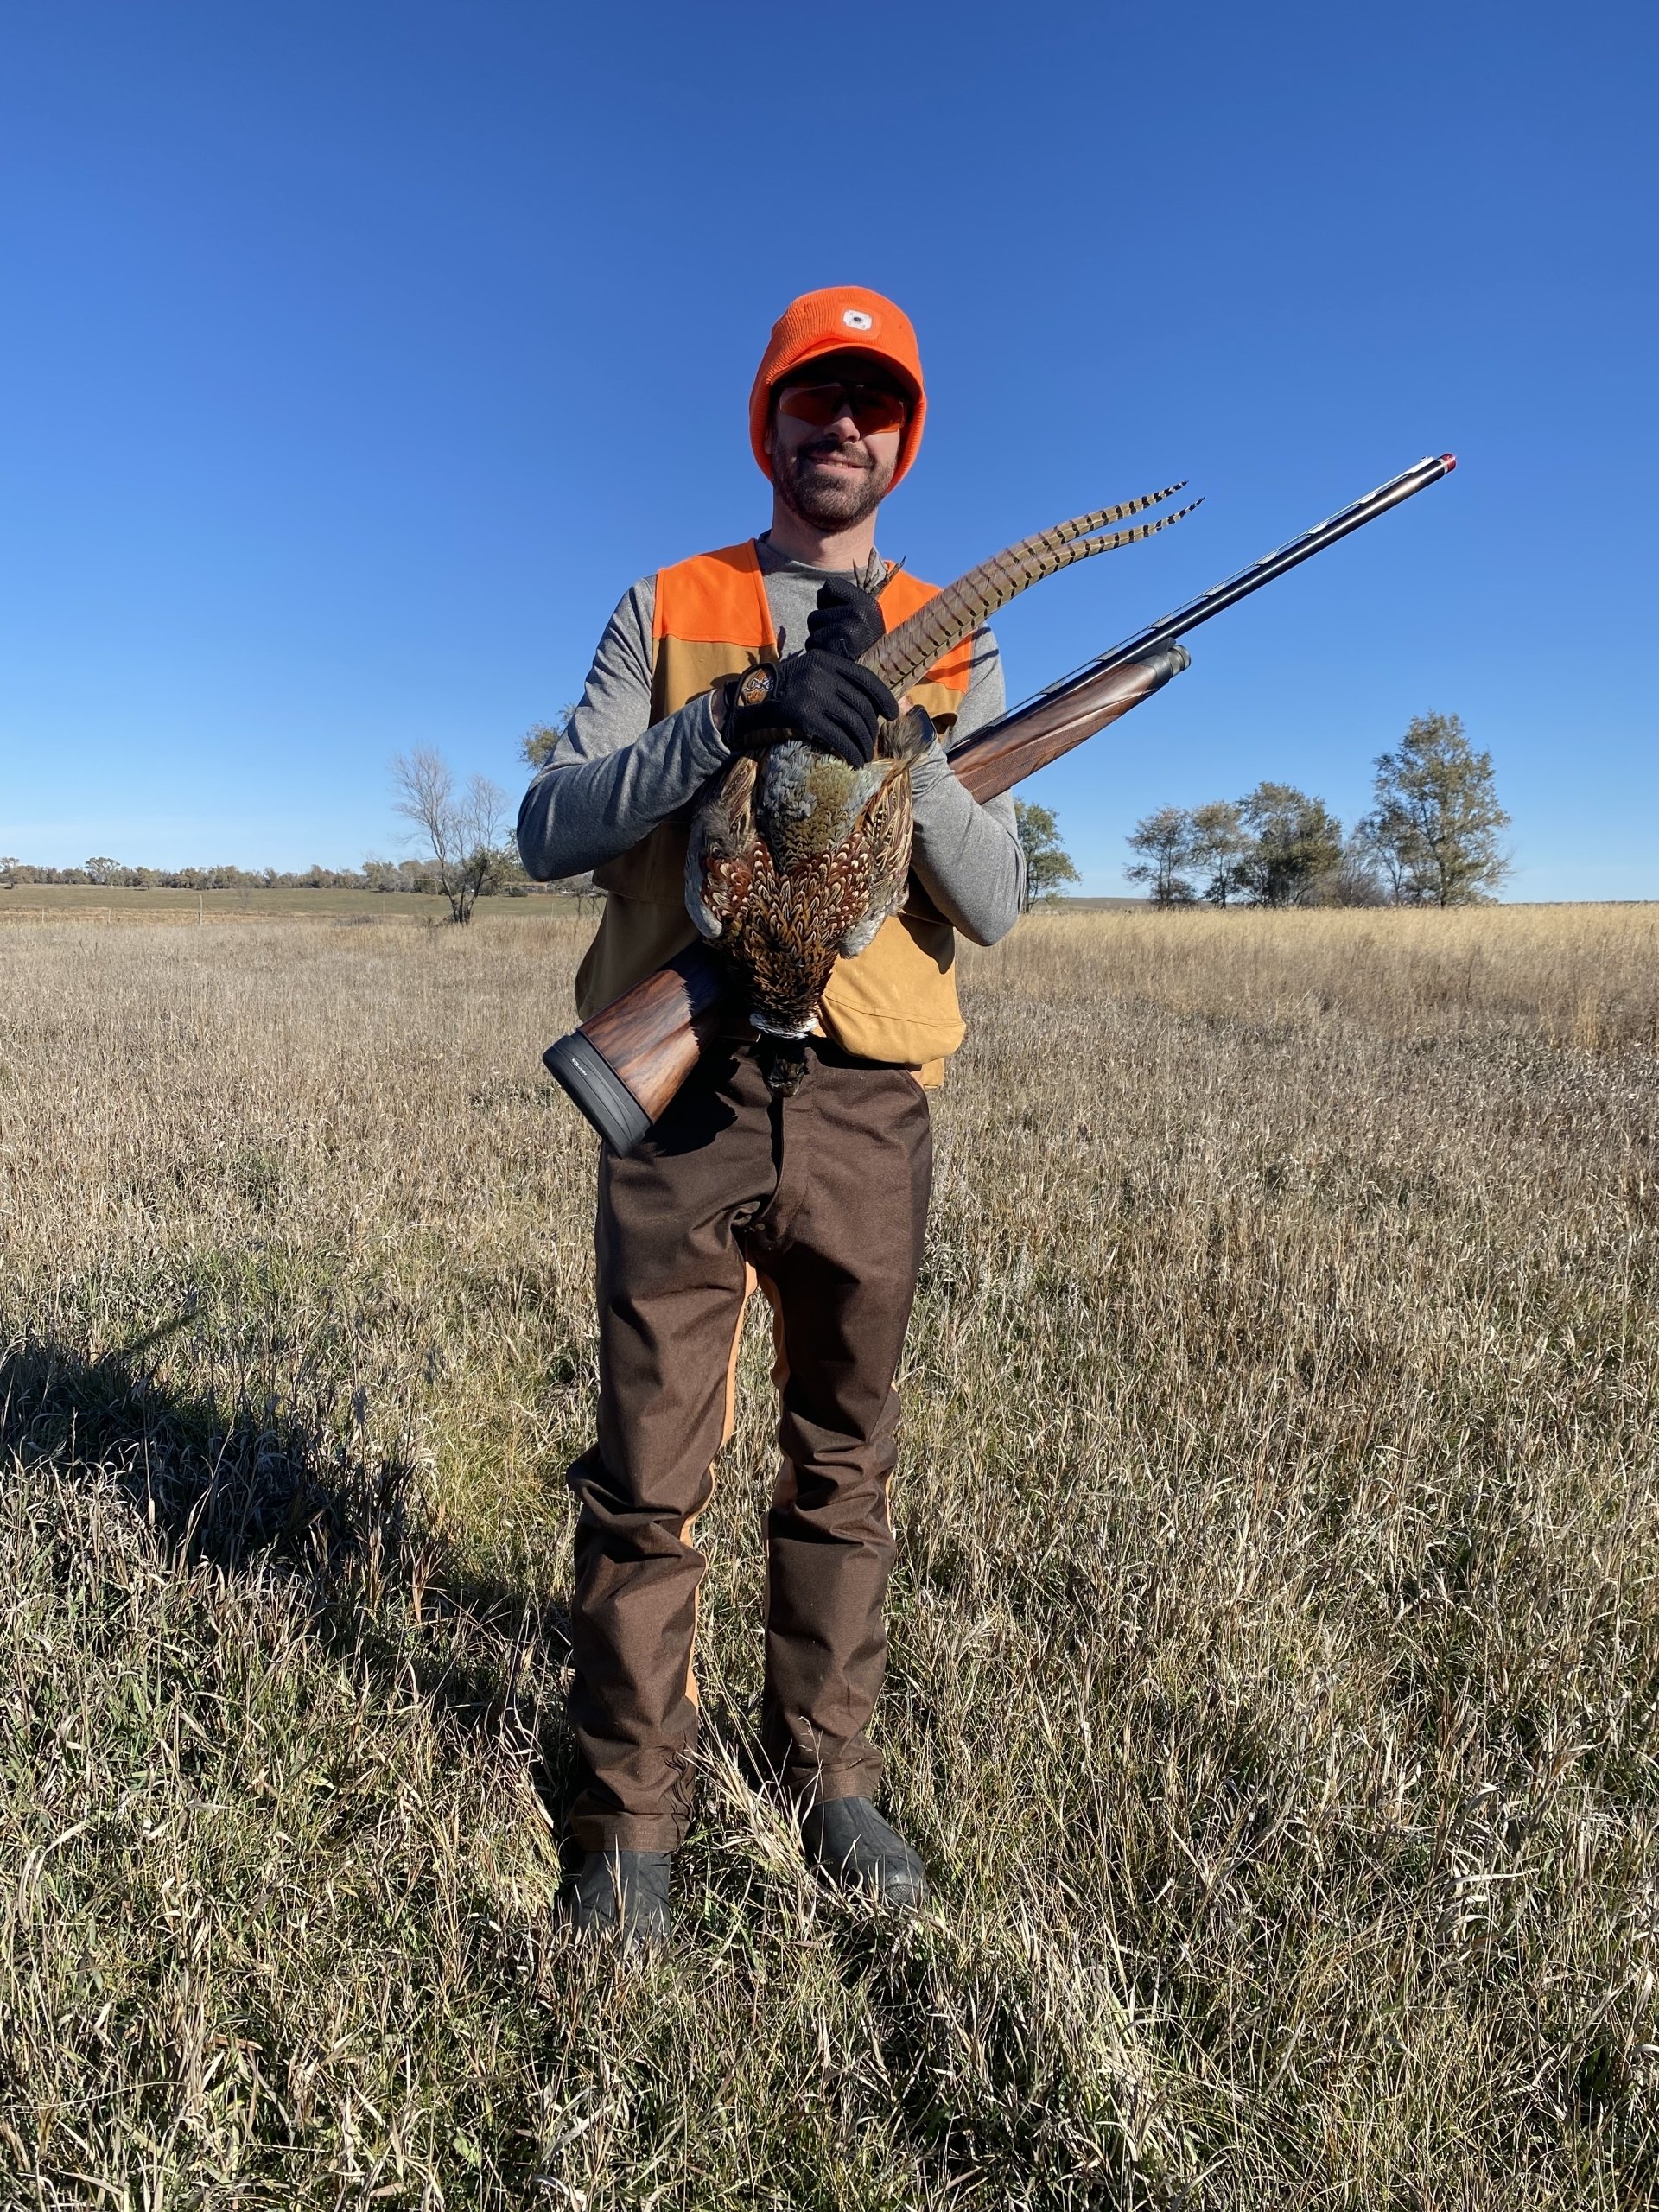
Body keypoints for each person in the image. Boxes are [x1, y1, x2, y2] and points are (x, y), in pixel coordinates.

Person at [518, 285, 1026, 1940]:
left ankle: (834, 1781)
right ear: (771, 416)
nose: (844, 426)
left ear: (903, 435)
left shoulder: (951, 625)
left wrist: (904, 741)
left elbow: (996, 898)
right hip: (690, 1093)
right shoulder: (673, 602)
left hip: (871, 1094)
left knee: (843, 1456)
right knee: (650, 1470)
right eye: (817, 396)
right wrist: (730, 719)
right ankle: (628, 1815)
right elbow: (551, 821)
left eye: (874, 402)